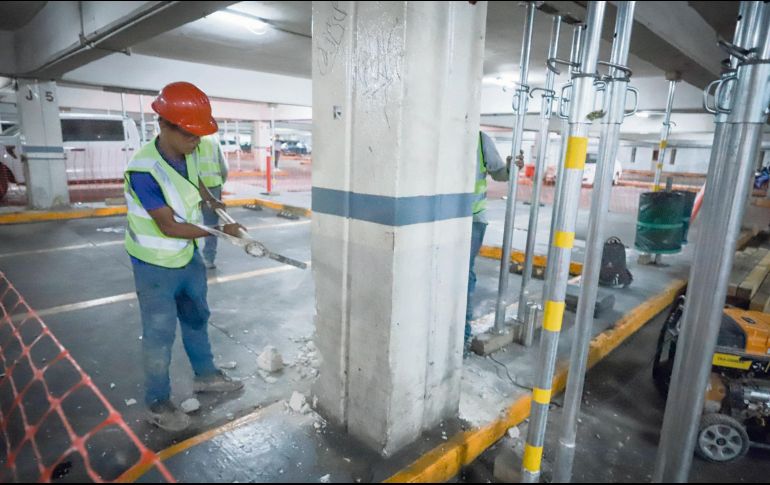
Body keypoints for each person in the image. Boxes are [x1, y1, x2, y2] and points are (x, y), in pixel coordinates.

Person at [124, 81, 244, 432]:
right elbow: (169, 226)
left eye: (199, 135)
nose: (196, 141)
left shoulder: (188, 153)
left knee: (196, 317)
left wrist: (215, 205)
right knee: (159, 332)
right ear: (163, 125)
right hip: (154, 263)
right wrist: (221, 232)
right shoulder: (144, 170)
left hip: (186, 257)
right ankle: (157, 402)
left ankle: (206, 375)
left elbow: (198, 187)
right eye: (190, 134)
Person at [465, 131, 516, 352]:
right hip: (444, 219)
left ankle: (462, 338)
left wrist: (511, 168)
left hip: (472, 219)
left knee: (464, 275)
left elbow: (500, 174)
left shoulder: (480, 139)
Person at [196, 134, 229, 269]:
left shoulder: (186, 135)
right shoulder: (213, 139)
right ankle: (209, 259)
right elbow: (224, 166)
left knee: (186, 220)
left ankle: (187, 257)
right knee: (211, 224)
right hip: (213, 185)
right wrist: (221, 182)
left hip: (190, 185)